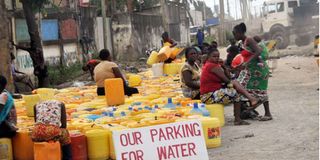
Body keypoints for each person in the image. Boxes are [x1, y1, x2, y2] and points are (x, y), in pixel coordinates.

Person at [200, 47, 263, 125]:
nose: (216, 58)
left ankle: (248, 104)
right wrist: (232, 83)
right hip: (208, 96)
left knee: (235, 87)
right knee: (236, 92)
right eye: (214, 56)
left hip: (211, 93)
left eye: (218, 56)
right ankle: (240, 115)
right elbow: (227, 79)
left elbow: (228, 77)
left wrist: (223, 66)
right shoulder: (212, 66)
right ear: (208, 57)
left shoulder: (212, 64)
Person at [233, 23, 272, 121]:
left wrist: (247, 63)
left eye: (234, 33)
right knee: (244, 88)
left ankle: (266, 113)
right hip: (251, 70)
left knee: (259, 90)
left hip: (258, 70)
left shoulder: (249, 40)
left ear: (240, 33)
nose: (234, 36)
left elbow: (258, 51)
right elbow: (247, 55)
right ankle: (250, 109)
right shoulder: (242, 42)